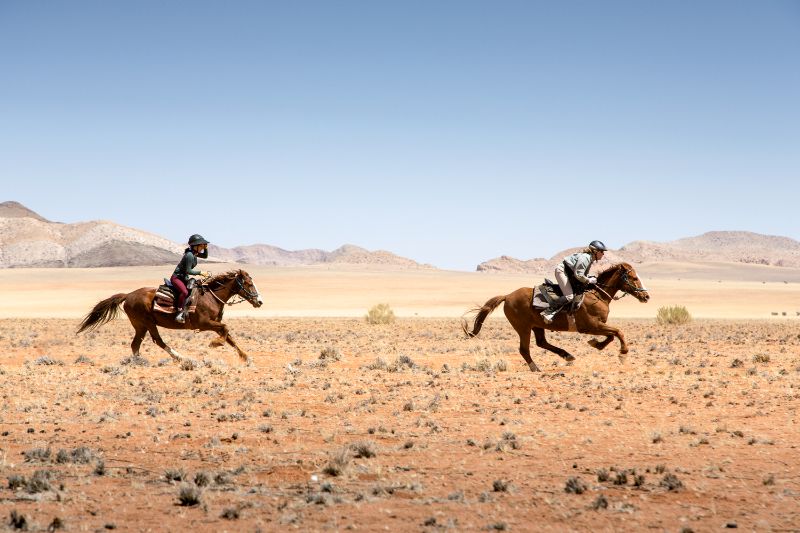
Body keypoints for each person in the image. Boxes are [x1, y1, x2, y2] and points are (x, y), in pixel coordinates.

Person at [541, 240, 607, 324]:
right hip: (562, 271)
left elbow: (582, 274)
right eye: (601, 251)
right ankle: (548, 312)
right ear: (595, 251)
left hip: (569, 273)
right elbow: (578, 275)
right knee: (569, 296)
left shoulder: (590, 259)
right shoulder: (585, 258)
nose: (603, 254)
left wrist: (588, 278)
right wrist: (589, 280)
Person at [171, 234, 211, 323]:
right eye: (201, 245)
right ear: (195, 246)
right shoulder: (189, 255)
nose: (202, 247)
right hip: (177, 278)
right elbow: (188, 271)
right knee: (184, 292)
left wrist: (206, 248)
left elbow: (205, 256)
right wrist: (201, 272)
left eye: (202, 245)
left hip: (183, 278)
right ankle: (179, 312)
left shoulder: (194, 253)